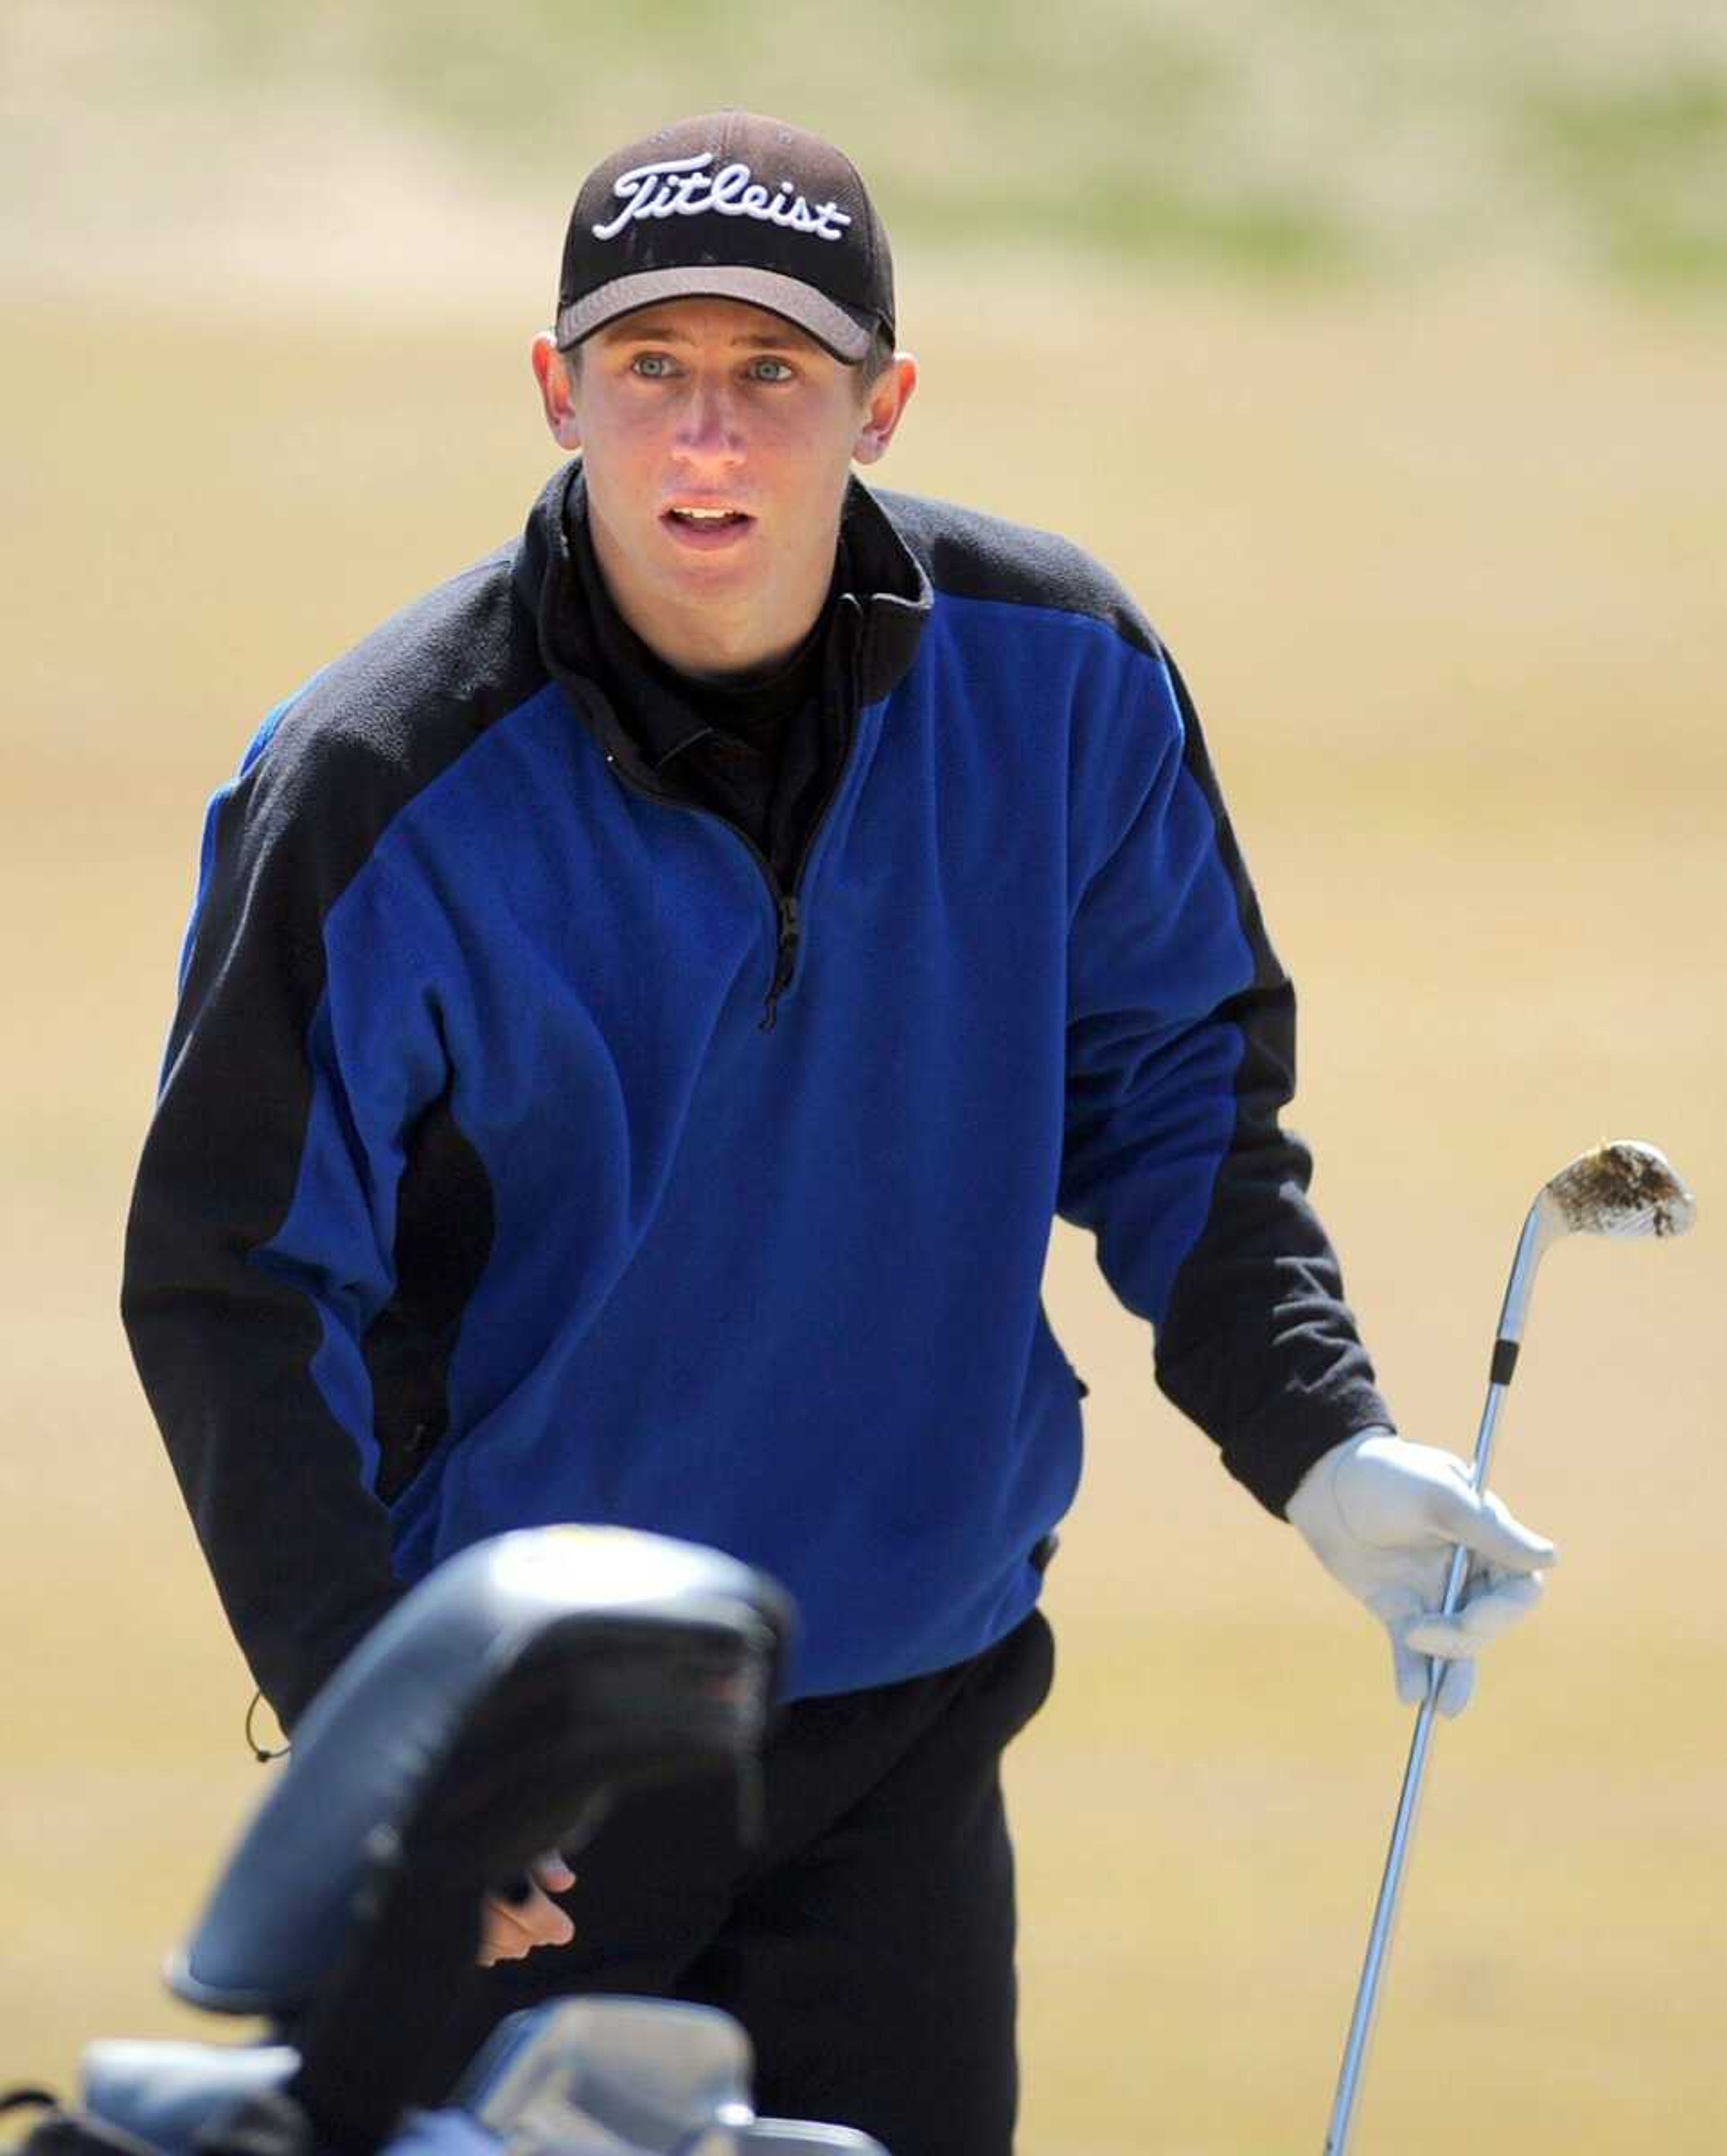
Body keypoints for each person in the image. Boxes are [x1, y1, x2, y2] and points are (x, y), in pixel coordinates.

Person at [122, 112, 1555, 2156]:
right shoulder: (376, 780)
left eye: (775, 378)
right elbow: (236, 1286)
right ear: (558, 390)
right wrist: (386, 1735)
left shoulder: (1065, 680)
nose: (710, 442)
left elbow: (1183, 1111)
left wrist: (1318, 1436)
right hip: (536, 1753)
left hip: (906, 1720)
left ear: (883, 403)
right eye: (654, 374)